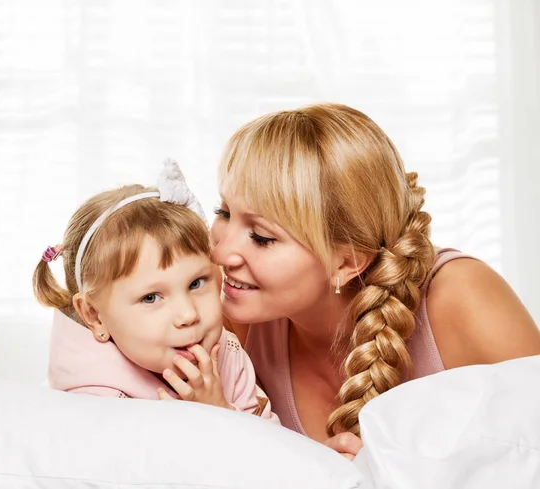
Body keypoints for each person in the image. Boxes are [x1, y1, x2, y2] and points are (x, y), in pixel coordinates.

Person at [210, 103, 540, 458]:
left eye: (261, 237)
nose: (220, 253)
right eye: (224, 213)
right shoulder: (229, 315)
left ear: (347, 263)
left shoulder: (462, 299)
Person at [32, 159, 278, 422]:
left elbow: (277, 450)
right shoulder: (91, 399)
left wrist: (223, 412)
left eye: (196, 283)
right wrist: (206, 424)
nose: (188, 315)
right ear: (94, 315)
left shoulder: (222, 352)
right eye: (151, 297)